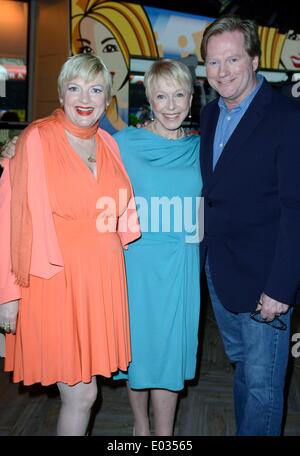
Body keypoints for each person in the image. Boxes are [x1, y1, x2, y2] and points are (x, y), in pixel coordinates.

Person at [0, 53, 140, 436]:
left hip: (100, 281)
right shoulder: (37, 139)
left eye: (95, 89)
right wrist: (7, 295)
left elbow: (120, 208)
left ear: (107, 98)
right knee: (81, 396)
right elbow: (9, 220)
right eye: (75, 87)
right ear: (61, 93)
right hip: (55, 281)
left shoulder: (109, 143)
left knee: (82, 395)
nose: (85, 97)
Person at [200, 15, 300, 435]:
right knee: (244, 371)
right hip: (221, 274)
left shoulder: (287, 116)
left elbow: (296, 208)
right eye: (213, 62)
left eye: (233, 59)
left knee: (262, 386)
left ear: (255, 60)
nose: (222, 71)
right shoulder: (207, 115)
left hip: (267, 282)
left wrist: (281, 287)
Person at [113, 59, 202, 436]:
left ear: (191, 97)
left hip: (181, 261)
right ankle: (141, 426)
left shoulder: (202, 145)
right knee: (140, 352)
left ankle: (164, 437)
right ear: (148, 98)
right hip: (137, 261)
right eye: (161, 96)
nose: (170, 105)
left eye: (179, 94)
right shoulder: (124, 143)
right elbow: (76, 153)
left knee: (169, 351)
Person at [71, 0, 159, 133]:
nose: (98, 60)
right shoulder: (84, 116)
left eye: (109, 48)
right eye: (87, 50)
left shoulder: (129, 123)